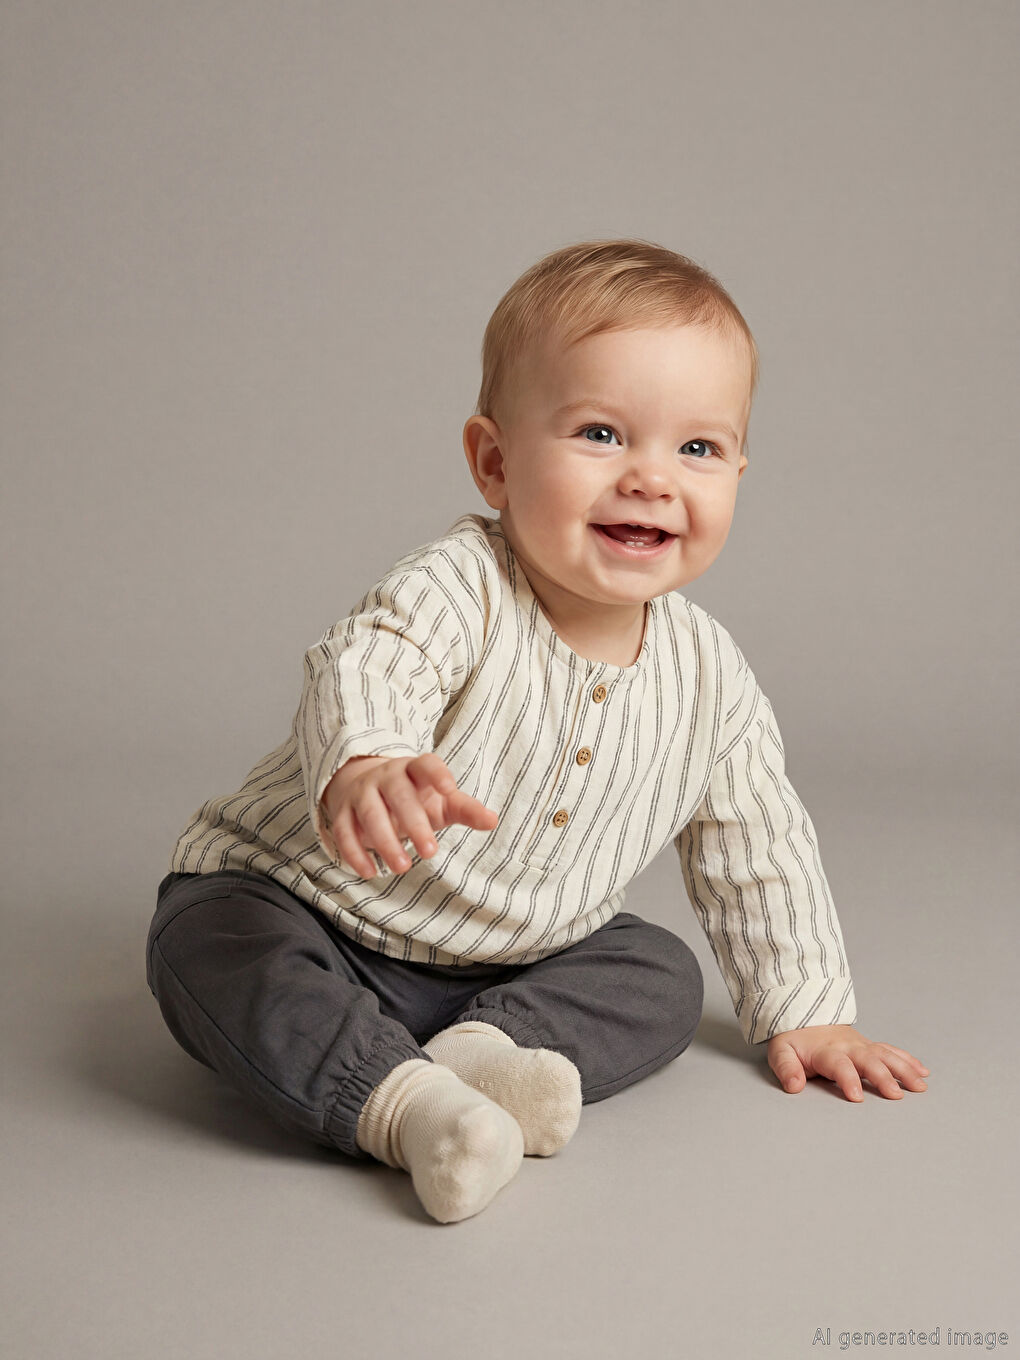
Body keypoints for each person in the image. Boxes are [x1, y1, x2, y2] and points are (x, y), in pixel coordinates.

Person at [146, 238, 928, 1225]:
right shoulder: (460, 584)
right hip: (316, 911)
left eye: (697, 449)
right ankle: (409, 1109)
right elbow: (370, 657)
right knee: (209, 944)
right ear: (495, 461)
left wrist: (809, 1007)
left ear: (737, 468)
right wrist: (369, 757)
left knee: (663, 973)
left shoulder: (711, 677)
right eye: (601, 433)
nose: (651, 477)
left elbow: (756, 847)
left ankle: (484, 1054)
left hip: (512, 962)